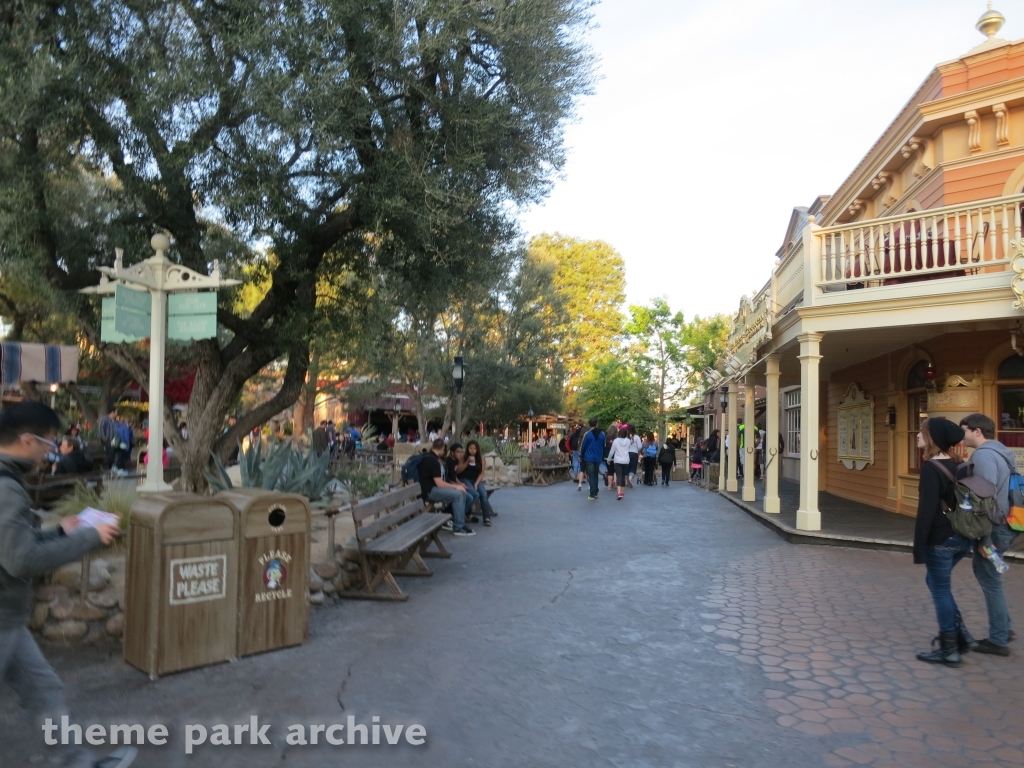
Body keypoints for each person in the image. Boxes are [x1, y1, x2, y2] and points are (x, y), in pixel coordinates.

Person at [0, 403, 134, 768]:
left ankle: (75, 762)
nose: (52, 451)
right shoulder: (8, 489)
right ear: (27, 440)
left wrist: (60, 531)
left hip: (9, 619)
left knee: (44, 691)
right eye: (48, 443)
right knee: (43, 692)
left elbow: (13, 545)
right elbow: (20, 561)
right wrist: (89, 538)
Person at [914, 417, 973, 667]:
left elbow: (926, 512)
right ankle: (963, 636)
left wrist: (919, 549)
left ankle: (950, 648)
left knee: (939, 589)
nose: (917, 435)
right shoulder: (963, 466)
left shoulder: (930, 468)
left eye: (922, 432)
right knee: (938, 584)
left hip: (940, 539)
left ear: (933, 439)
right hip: (963, 537)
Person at [960, 412, 1019, 655]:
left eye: (964, 430)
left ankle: (999, 640)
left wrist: (984, 538)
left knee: (988, 577)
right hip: (1008, 522)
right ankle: (1004, 629)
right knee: (989, 574)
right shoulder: (1002, 452)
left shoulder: (984, 455)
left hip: (994, 525)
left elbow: (984, 496)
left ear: (977, 431)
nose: (961, 436)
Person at [418, 438, 474, 536]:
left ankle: (452, 520)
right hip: (428, 491)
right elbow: (440, 483)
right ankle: (459, 527)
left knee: (461, 493)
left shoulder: (428, 456)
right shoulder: (433, 461)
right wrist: (456, 487)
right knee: (458, 495)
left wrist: (457, 485)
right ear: (442, 448)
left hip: (427, 488)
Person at [459, 440, 496, 526]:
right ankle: (467, 513)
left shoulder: (481, 459)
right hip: (465, 479)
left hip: (476, 480)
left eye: (474, 448)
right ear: (467, 449)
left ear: (477, 449)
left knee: (483, 494)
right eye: (470, 448)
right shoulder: (464, 458)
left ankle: (486, 517)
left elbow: (481, 473)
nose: (472, 450)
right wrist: (466, 462)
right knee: (474, 494)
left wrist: (476, 483)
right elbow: (458, 471)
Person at [579, 419, 606, 500]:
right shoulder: (602, 434)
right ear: (597, 424)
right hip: (598, 458)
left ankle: (592, 493)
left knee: (591, 475)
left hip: (589, 457)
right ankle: (596, 492)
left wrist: (581, 456)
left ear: (589, 424)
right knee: (595, 474)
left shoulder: (588, 434)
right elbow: (603, 445)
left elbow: (583, 446)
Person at [608, 427, 632, 501]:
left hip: (617, 460)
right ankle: (622, 492)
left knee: (619, 476)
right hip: (626, 460)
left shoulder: (615, 441)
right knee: (623, 476)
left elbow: (612, 451)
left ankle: (618, 493)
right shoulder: (628, 441)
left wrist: (609, 459)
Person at [604, 423, 619, 493]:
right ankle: (615, 482)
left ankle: (609, 485)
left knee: (610, 471)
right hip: (616, 456)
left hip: (607, 456)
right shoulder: (617, 438)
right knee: (616, 471)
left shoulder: (606, 437)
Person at [569, 423, 584, 490]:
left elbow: (569, 442)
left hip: (574, 450)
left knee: (575, 463)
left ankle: (575, 476)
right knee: (580, 463)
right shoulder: (582, 435)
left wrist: (570, 450)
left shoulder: (573, 435)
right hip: (580, 450)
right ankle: (579, 477)